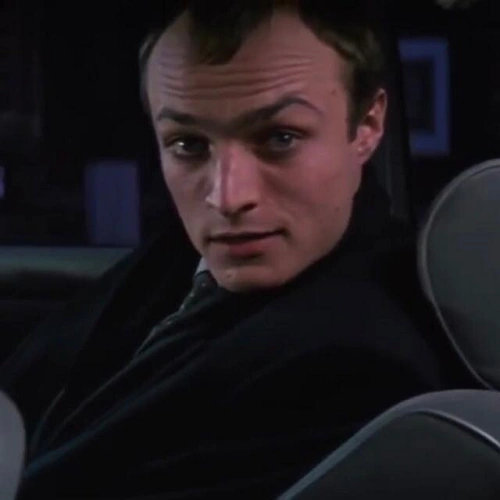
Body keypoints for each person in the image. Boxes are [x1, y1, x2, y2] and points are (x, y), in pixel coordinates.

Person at [0, 2, 467, 498]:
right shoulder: (187, 258)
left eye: (280, 138)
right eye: (188, 144)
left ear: (367, 126)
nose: (227, 197)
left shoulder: (353, 370)